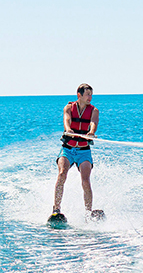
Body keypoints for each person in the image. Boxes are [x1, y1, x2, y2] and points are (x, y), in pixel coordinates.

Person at [51, 83, 100, 222]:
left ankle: (88, 213)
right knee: (62, 174)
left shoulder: (94, 111)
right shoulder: (68, 107)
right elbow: (67, 119)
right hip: (67, 149)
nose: (90, 97)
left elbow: (93, 123)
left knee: (85, 179)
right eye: (88, 94)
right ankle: (56, 209)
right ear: (79, 95)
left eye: (91, 94)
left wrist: (91, 132)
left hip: (84, 151)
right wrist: (68, 129)